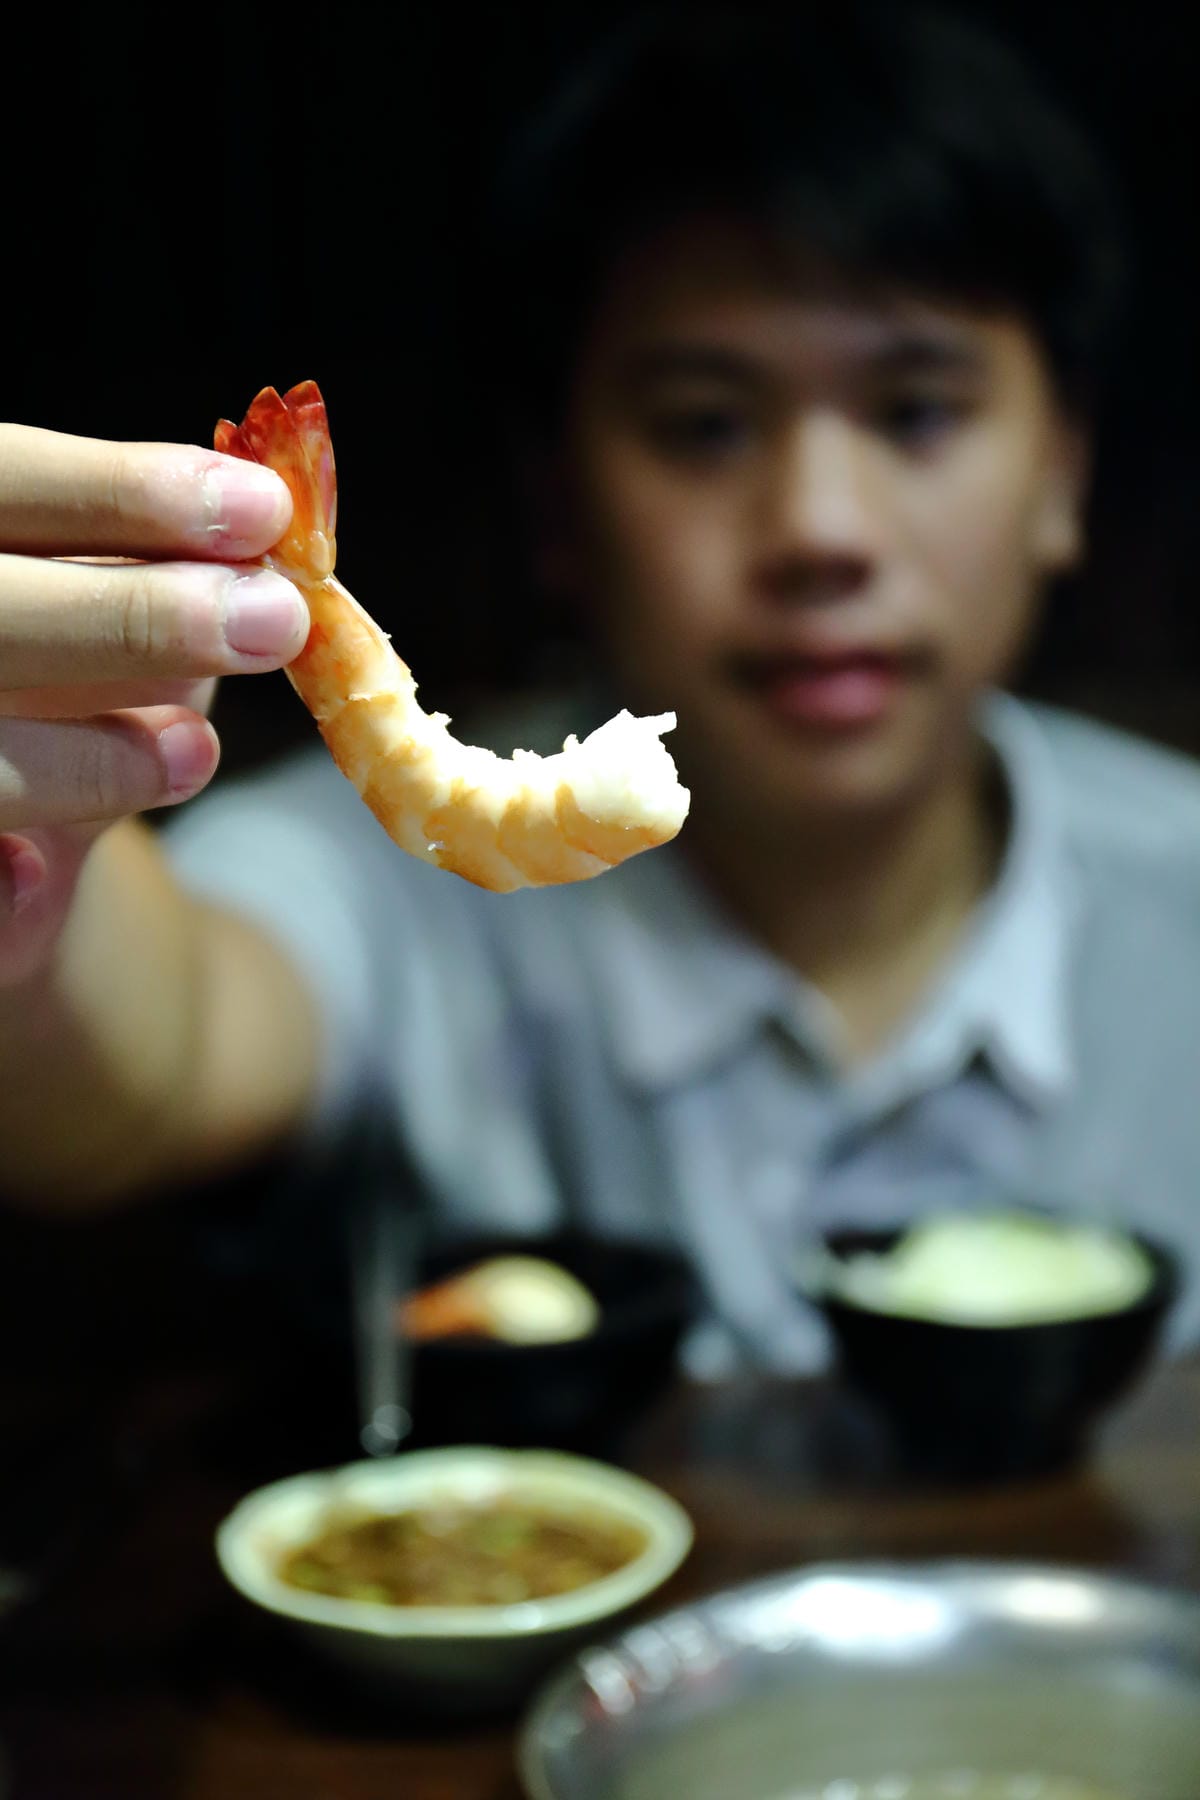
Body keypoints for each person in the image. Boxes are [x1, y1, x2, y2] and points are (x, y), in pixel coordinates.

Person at [1, 2, 1197, 1374]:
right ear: (555, 502)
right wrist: (32, 882)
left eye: (917, 412)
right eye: (704, 425)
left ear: (1064, 475)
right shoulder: (381, 888)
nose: (821, 529)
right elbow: (156, 1049)